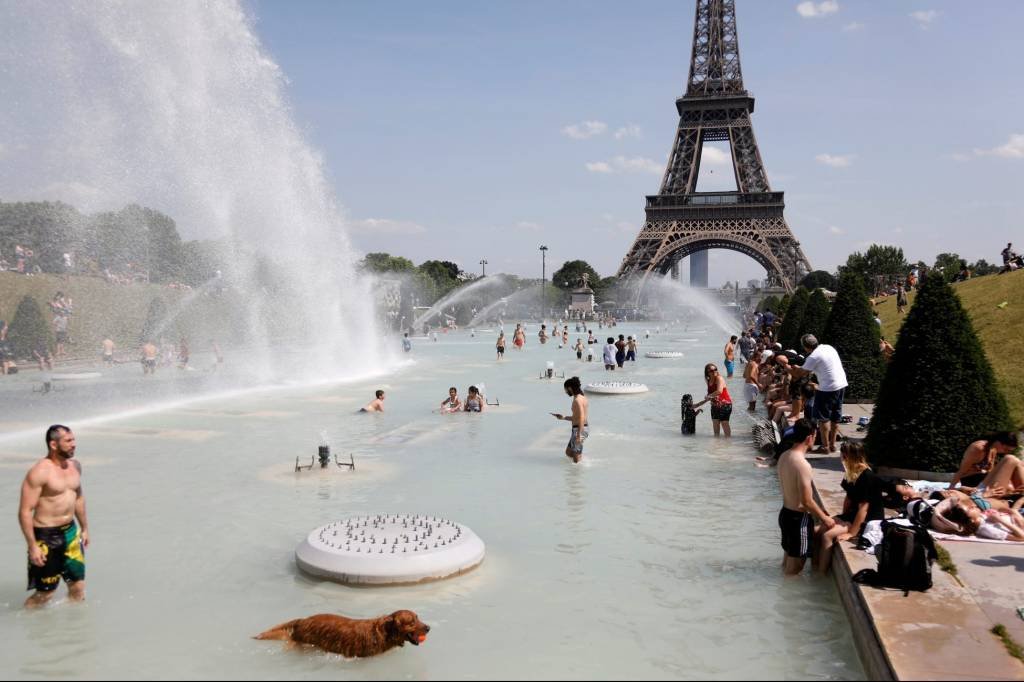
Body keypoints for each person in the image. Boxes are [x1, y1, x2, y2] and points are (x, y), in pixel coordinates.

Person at [19, 425, 89, 608]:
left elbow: (79, 498)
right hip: (46, 536)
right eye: (68, 441)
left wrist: (85, 528)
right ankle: (31, 626)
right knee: (45, 593)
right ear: (53, 444)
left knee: (78, 587)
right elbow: (25, 511)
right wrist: (32, 546)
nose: (74, 444)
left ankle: (71, 630)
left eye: (74, 440)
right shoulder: (40, 472)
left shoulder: (75, 466)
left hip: (71, 533)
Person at [776, 419, 835, 575]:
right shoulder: (802, 464)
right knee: (795, 569)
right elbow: (806, 501)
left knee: (787, 563)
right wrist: (825, 518)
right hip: (798, 519)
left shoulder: (784, 457)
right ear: (810, 437)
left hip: (785, 514)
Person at [817, 442, 887, 573]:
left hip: (869, 519)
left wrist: (850, 533)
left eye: (843, 456)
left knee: (827, 536)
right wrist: (842, 518)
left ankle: (821, 573)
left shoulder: (867, 476)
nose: (841, 458)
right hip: (853, 514)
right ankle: (815, 568)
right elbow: (849, 498)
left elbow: (864, 508)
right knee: (818, 530)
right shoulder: (852, 472)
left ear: (849, 457)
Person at [788, 334, 847, 454]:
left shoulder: (813, 357)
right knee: (835, 417)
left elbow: (800, 374)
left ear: (805, 347)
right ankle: (833, 445)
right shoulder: (827, 347)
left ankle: (825, 447)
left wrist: (788, 367)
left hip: (827, 388)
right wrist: (801, 367)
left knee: (823, 418)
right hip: (841, 384)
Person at [551, 376, 588, 464]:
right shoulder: (582, 397)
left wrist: (579, 435)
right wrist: (563, 417)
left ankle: (578, 473)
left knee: (576, 461)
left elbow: (582, 417)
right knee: (569, 453)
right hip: (579, 429)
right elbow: (577, 417)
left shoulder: (577, 400)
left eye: (566, 390)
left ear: (570, 388)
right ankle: (582, 459)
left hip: (579, 430)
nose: (566, 392)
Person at [693, 363, 733, 437]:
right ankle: (717, 445)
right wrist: (697, 405)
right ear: (707, 373)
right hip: (715, 405)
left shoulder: (719, 378)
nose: (714, 371)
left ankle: (728, 444)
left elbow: (719, 391)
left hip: (725, 405)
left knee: (724, 423)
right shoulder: (709, 381)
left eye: (715, 369)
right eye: (711, 370)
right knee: (715, 425)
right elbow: (709, 398)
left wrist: (709, 396)